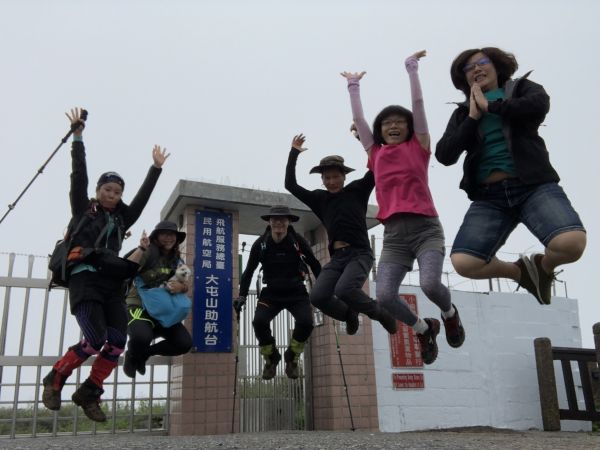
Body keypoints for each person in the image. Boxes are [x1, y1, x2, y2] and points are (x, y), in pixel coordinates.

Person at [42, 107, 169, 422]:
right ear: (98, 192)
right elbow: (78, 175)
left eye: (117, 191)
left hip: (111, 285)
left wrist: (155, 169)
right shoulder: (83, 209)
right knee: (95, 338)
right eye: (107, 190)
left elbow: (141, 201)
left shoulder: (123, 217)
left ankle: (89, 391)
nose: (112, 194)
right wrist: (78, 137)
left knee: (116, 342)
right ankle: (56, 377)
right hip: (85, 281)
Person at [435, 47, 586, 305]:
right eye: (469, 67)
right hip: (489, 198)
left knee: (571, 243)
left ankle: (543, 265)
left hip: (533, 186)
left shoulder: (520, 89)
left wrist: (492, 106)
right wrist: (473, 117)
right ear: (464, 78)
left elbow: (539, 104)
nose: (477, 69)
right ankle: (520, 272)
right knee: (464, 263)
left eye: (482, 63)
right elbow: (444, 155)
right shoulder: (462, 112)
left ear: (496, 66)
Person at [340, 50, 464, 365]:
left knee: (431, 284)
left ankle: (449, 314)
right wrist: (353, 86)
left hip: (425, 228)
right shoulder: (375, 154)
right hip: (394, 234)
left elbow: (419, 107)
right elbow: (358, 121)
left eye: (400, 122)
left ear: (409, 128)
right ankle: (424, 329)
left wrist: (412, 70)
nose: (394, 126)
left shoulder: (419, 146)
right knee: (383, 296)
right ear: (380, 131)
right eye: (387, 123)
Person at [285, 136, 397, 336]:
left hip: (359, 254)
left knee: (344, 290)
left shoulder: (357, 190)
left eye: (335, 177)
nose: (332, 182)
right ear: (322, 180)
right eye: (327, 178)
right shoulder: (320, 199)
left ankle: (380, 313)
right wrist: (294, 153)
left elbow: (377, 165)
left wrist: (365, 138)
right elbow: (290, 185)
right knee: (317, 296)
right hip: (337, 259)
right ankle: (348, 315)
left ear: (344, 176)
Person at [234, 205, 321, 380]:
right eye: (275, 219)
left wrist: (325, 289)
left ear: (289, 222)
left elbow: (315, 264)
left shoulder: (298, 241)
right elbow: (249, 271)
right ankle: (271, 358)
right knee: (259, 322)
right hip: (271, 293)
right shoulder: (261, 244)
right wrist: (242, 295)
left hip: (296, 291)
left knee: (306, 322)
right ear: (269, 222)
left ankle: (292, 357)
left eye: (283, 219)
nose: (279, 223)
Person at [123, 221, 193, 378]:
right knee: (142, 337)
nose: (169, 238)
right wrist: (141, 248)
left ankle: (142, 354)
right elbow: (125, 268)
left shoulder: (177, 260)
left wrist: (179, 288)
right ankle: (132, 354)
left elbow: (185, 285)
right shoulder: (147, 252)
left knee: (184, 343)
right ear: (156, 237)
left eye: (172, 234)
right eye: (164, 234)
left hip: (163, 311)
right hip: (139, 306)